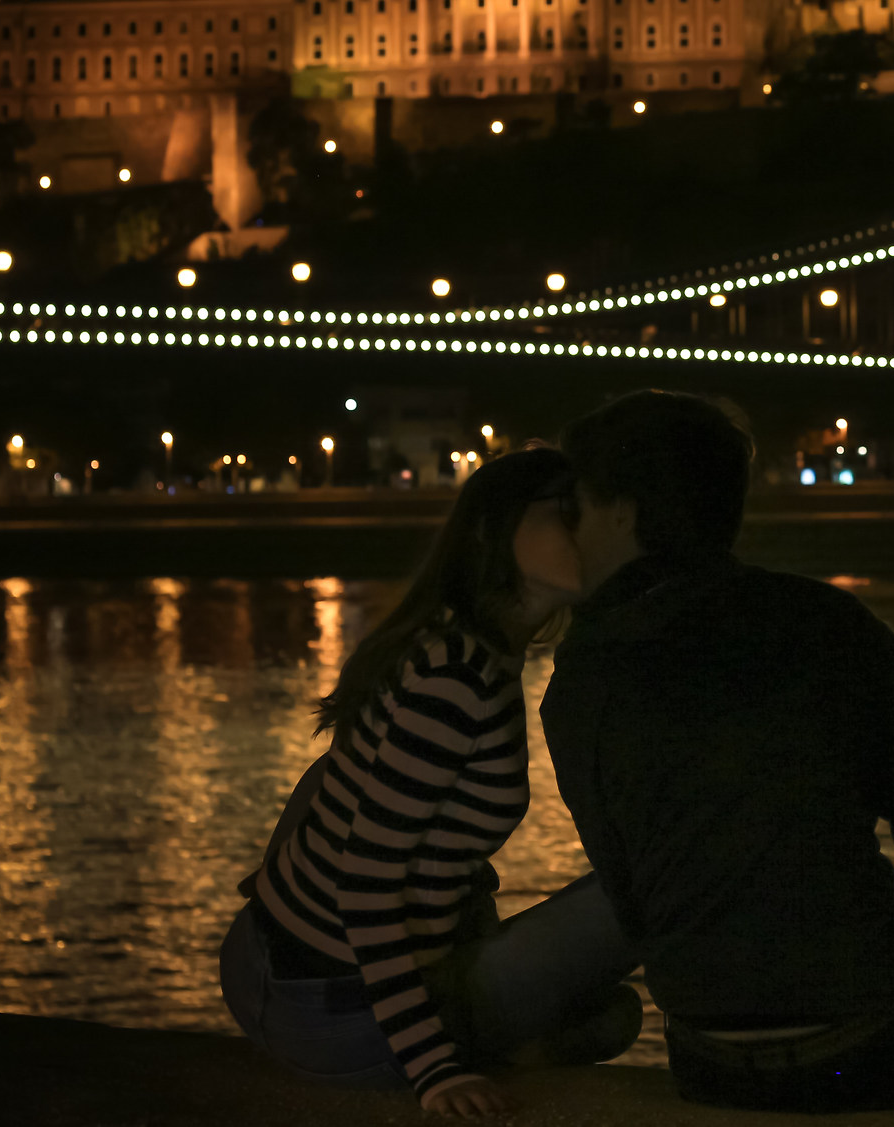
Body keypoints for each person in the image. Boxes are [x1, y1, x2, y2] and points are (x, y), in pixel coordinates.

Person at [540, 389, 894, 1112]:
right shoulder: (829, 624)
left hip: (710, 1057)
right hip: (866, 1038)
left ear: (622, 512)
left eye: (576, 506)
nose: (569, 528)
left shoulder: (580, 679)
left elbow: (631, 895)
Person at [219, 447, 643, 1118]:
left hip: (265, 965)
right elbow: (366, 881)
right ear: (496, 529)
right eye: (566, 510)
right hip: (335, 1014)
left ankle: (476, 1020)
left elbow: (336, 785)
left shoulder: (454, 644)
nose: (588, 527)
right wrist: (435, 1070)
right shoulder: (456, 678)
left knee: (615, 1014)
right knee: (650, 885)